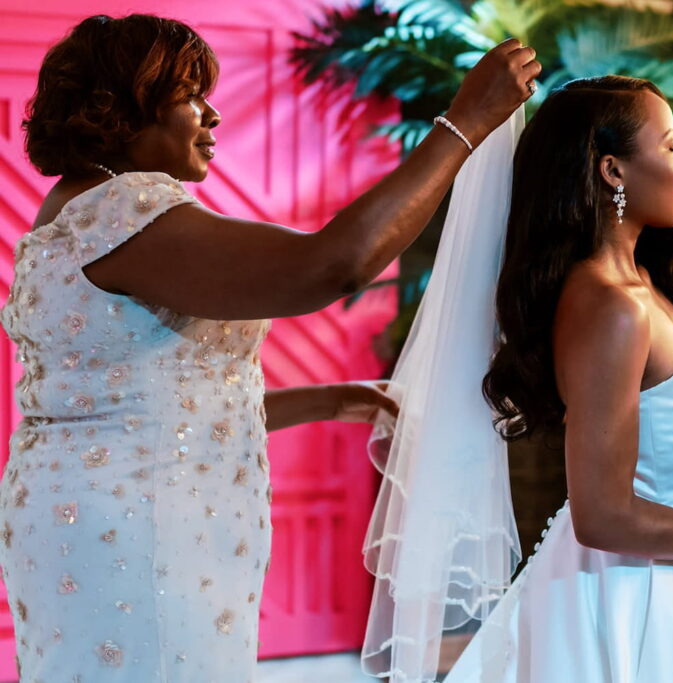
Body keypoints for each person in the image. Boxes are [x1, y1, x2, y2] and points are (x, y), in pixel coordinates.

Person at [0, 13, 539, 682]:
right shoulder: (124, 213)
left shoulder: (67, 215)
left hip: (93, 512)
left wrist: (333, 397)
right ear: (123, 109)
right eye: (189, 95)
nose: (212, 114)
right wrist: (463, 126)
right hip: (139, 535)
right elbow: (332, 265)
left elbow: (146, 404)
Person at [366, 76, 673, 682]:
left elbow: (644, 453)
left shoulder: (639, 284)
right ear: (613, 171)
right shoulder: (608, 306)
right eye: (671, 146)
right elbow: (601, 514)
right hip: (638, 593)